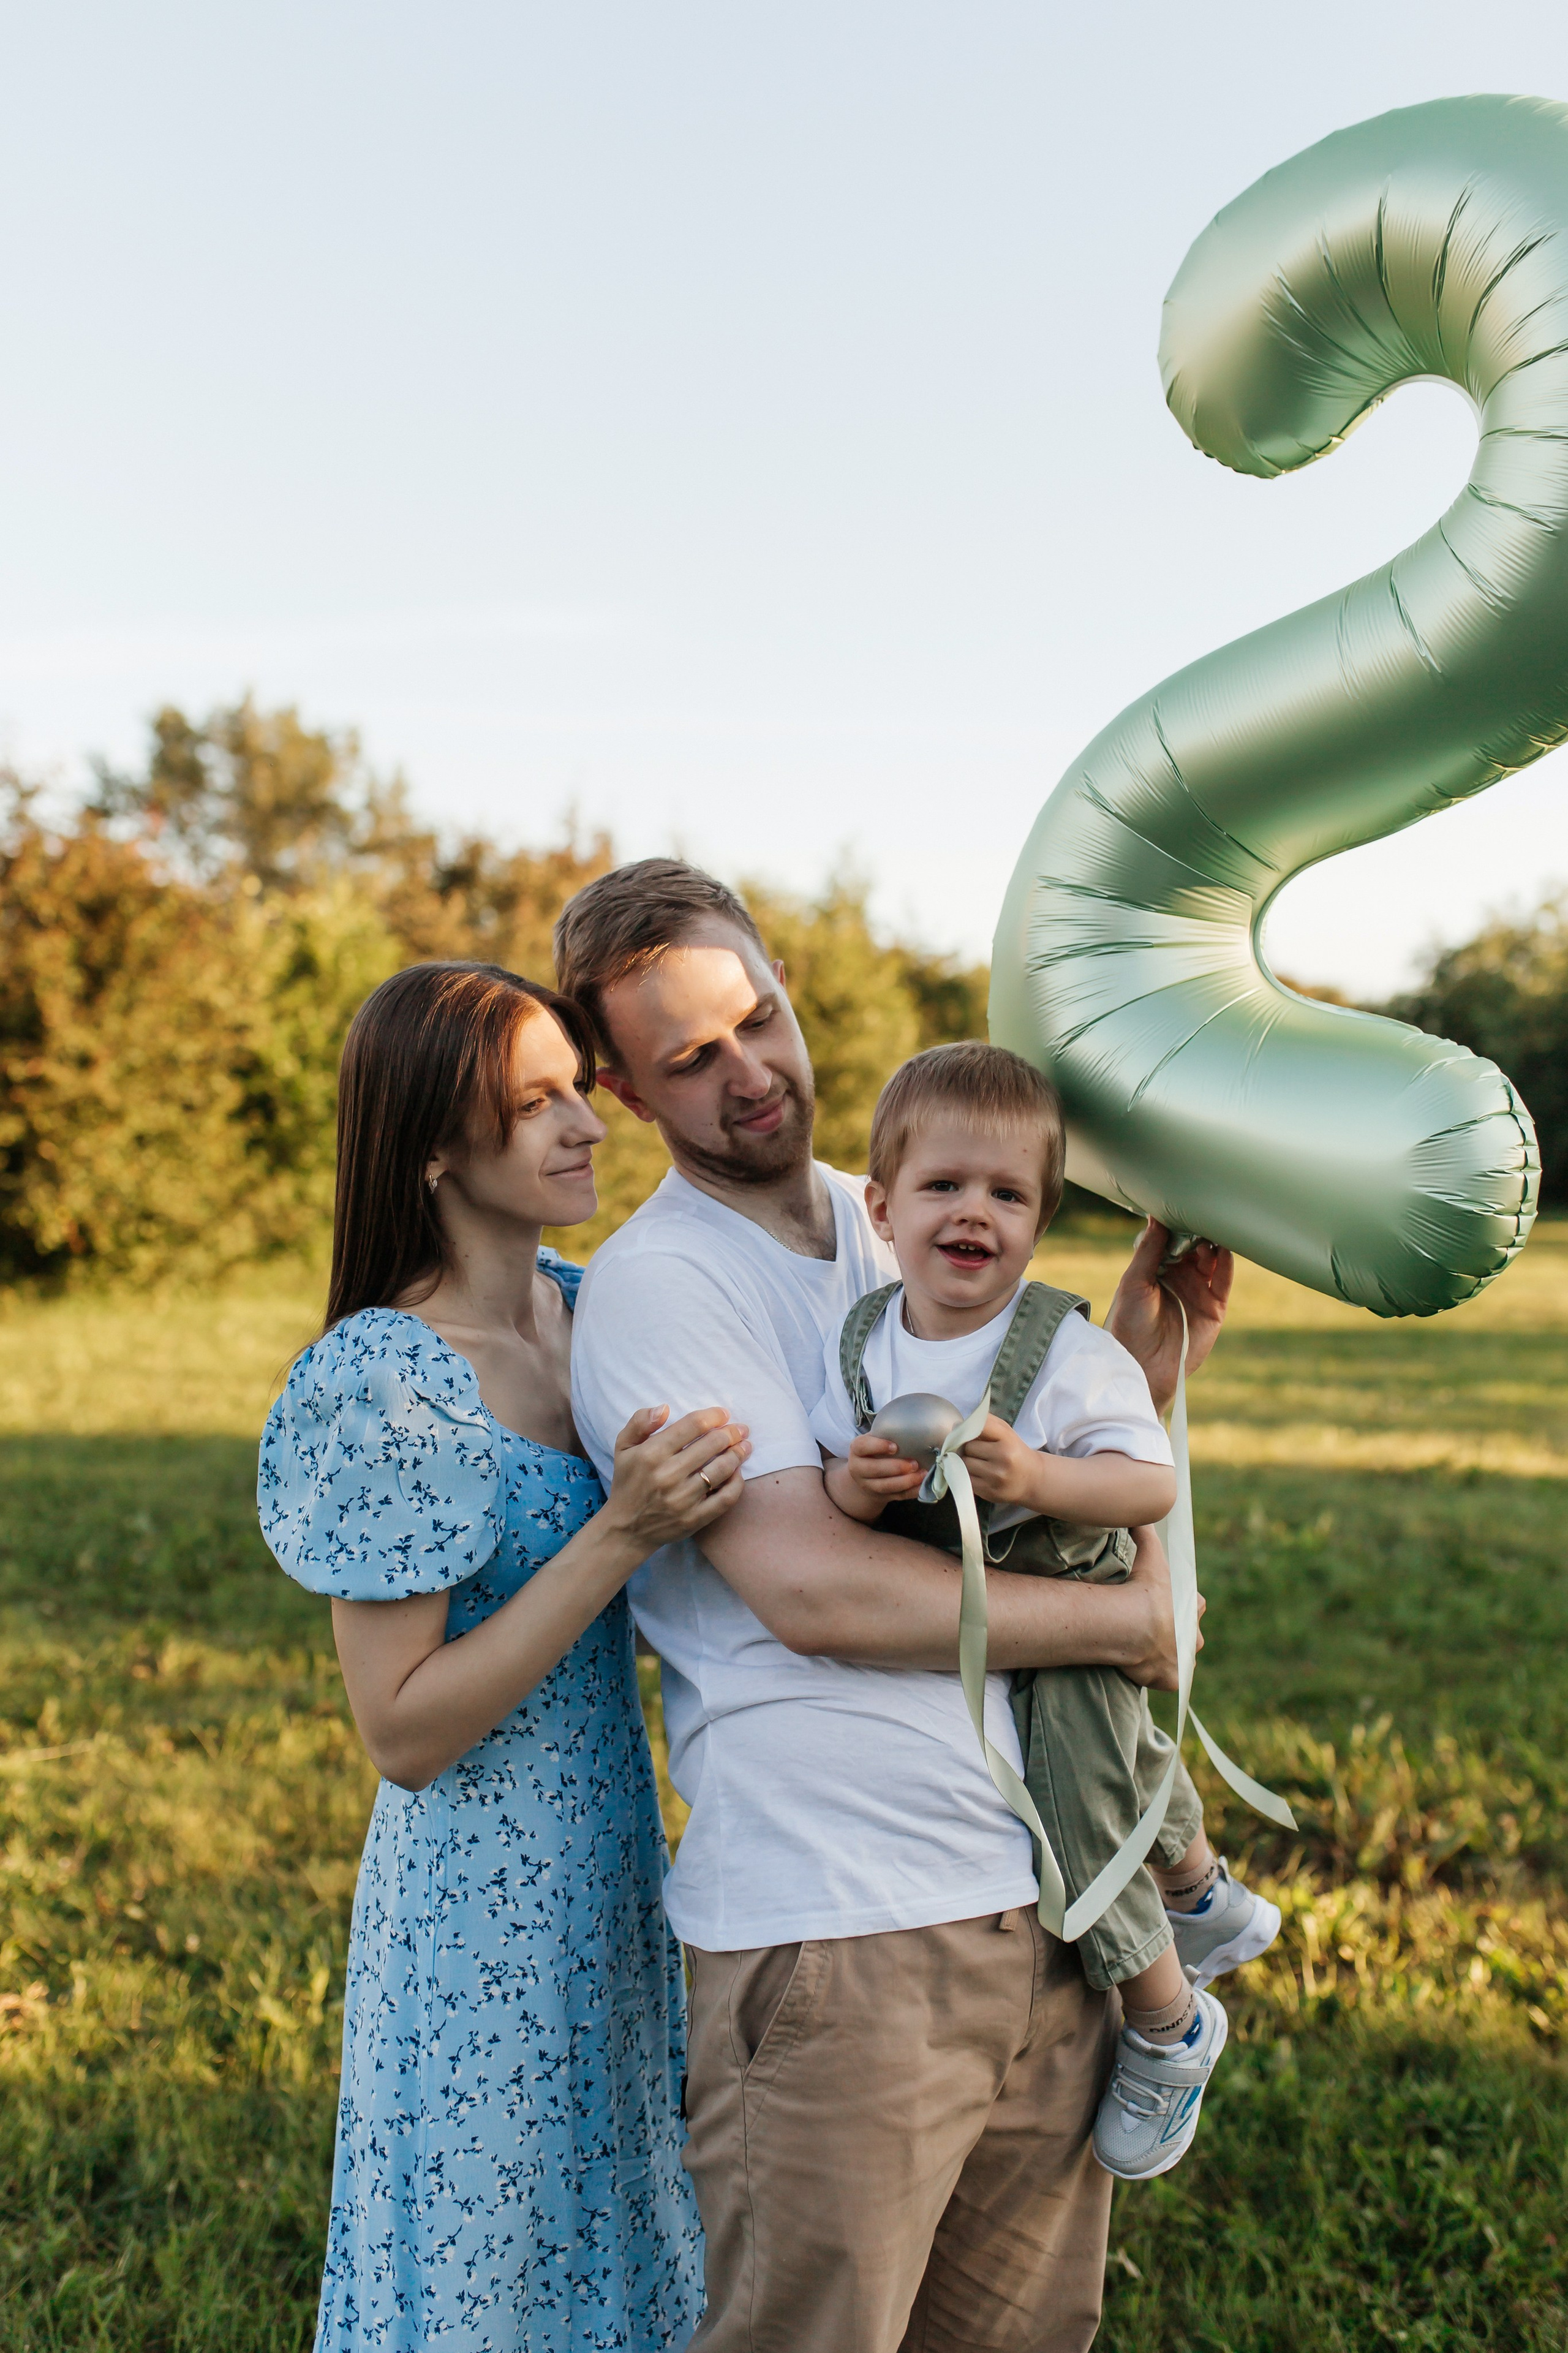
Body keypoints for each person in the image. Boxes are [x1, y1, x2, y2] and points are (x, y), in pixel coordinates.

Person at [557, 859, 1235, 2353]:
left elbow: (1020, 1462)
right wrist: (1123, 1628)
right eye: (688, 1059)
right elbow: (811, 1586)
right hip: (843, 1943)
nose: (750, 1074)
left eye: (758, 1018)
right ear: (617, 1088)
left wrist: (1138, 1352)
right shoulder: (663, 1286)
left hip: (1042, 1900)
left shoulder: (902, 1213)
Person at [256, 960, 752, 2353]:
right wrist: (616, 1532)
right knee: (490, 2271)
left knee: (621, 2248)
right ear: (429, 1149)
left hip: (614, 1863)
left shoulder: (588, 1307)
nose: (583, 1125)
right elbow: (402, 1732)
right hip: (474, 1907)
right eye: (528, 1106)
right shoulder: (384, 1377)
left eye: (573, 1089)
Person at [813, 1040, 1280, 2188]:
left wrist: (1040, 1479)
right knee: (1110, 1769)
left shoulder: (1065, 1350)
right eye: (944, 1186)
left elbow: (1144, 1484)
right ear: (883, 1206)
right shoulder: (866, 1342)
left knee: (1078, 1798)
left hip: (1068, 1605)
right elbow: (834, 1478)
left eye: (1008, 1194)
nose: (975, 1212)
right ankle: (1200, 1892)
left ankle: (1168, 2020)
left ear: (1041, 1218)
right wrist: (851, 1487)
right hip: (978, 1619)